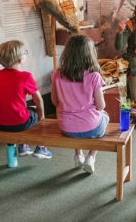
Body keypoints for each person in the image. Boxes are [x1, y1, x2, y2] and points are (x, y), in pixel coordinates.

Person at [51, 35, 109, 174]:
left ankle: (78, 154)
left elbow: (54, 102)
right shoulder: (94, 76)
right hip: (91, 127)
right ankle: (91, 157)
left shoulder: (56, 75)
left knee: (76, 120)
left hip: (66, 127)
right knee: (105, 117)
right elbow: (101, 106)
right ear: (90, 54)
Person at [0, 40, 52, 159]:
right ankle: (41, 148)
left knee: (25, 107)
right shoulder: (25, 76)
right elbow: (39, 101)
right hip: (20, 123)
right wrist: (42, 119)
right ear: (20, 60)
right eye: (25, 52)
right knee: (36, 111)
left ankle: (23, 146)